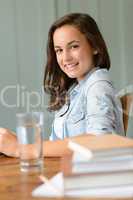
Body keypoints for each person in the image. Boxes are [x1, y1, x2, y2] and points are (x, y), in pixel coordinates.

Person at [0, 13, 124, 157]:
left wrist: (21, 149)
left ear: (95, 46)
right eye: (59, 50)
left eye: (74, 47)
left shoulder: (98, 86)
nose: (66, 58)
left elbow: (100, 141)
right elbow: (60, 144)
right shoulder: (75, 89)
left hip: (89, 177)